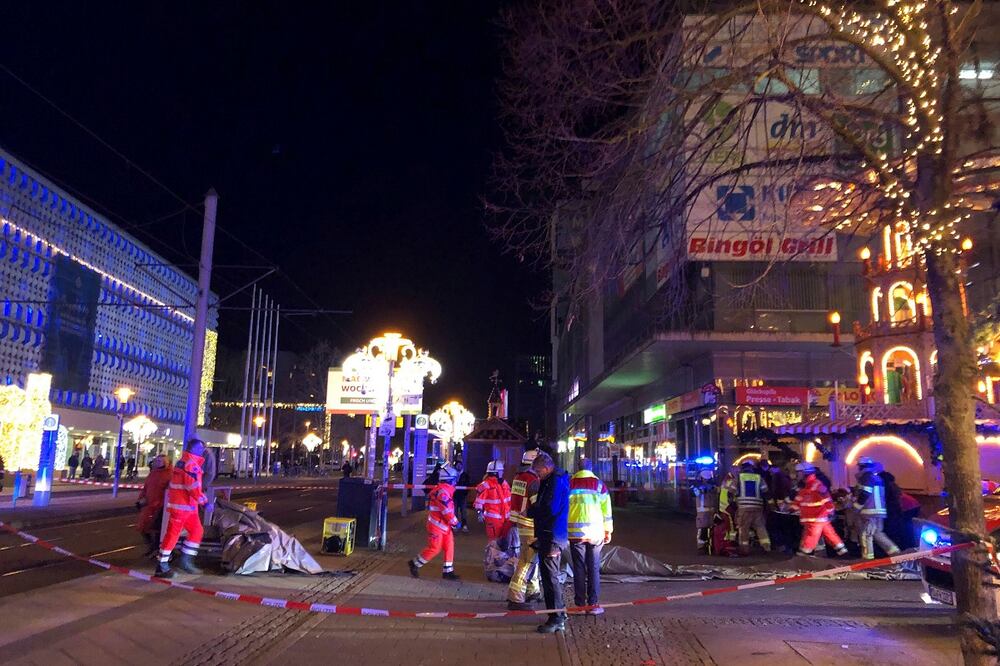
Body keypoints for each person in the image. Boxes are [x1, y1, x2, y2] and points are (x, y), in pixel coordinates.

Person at [527, 451, 570, 634]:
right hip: (551, 534)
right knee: (549, 577)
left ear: (546, 468)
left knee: (550, 578)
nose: (537, 475)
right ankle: (558, 613)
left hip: (552, 536)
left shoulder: (554, 482)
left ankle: (556, 617)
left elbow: (550, 508)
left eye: (538, 472)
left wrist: (532, 511)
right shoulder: (553, 480)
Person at [155, 439, 208, 578]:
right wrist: (205, 502)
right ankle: (162, 565)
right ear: (195, 449)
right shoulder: (191, 465)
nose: (203, 451)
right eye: (201, 448)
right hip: (183, 508)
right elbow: (193, 487)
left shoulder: (184, 462)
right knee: (173, 535)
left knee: (196, 531)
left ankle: (185, 561)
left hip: (187, 507)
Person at [568, 459, 612, 615]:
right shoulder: (599, 485)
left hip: (575, 533)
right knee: (593, 568)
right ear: (591, 468)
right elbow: (606, 510)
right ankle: (593, 605)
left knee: (578, 568)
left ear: (577, 468)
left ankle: (579, 605)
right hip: (595, 533)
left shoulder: (570, 484)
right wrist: (608, 530)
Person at [408, 463, 461, 580]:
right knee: (434, 548)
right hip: (437, 525)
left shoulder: (443, 491)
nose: (455, 482)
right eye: (454, 480)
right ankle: (415, 563)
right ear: (449, 480)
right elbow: (447, 511)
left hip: (442, 525)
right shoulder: (443, 493)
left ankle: (448, 571)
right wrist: (456, 523)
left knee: (449, 546)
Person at [507, 448, 542, 610]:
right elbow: (537, 505)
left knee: (532, 558)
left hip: (521, 522)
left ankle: (533, 590)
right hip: (530, 524)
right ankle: (515, 597)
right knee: (527, 560)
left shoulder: (519, 477)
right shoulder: (534, 480)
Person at [790, 462, 848, 557]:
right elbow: (800, 498)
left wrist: (830, 511)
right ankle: (843, 552)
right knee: (830, 534)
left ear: (804, 473)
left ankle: (803, 555)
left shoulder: (816, 485)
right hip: (816, 517)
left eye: (798, 472)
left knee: (811, 537)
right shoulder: (807, 485)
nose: (797, 475)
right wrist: (792, 507)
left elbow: (827, 499)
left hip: (816, 517)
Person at [853, 458, 900, 560]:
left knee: (866, 536)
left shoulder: (866, 477)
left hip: (869, 513)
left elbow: (865, 493)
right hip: (879, 512)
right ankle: (896, 554)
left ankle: (867, 562)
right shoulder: (877, 477)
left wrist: (856, 507)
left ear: (861, 466)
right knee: (878, 534)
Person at [728, 460, 771, 554]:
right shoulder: (759, 478)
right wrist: (770, 505)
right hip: (758, 507)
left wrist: (732, 503)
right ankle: (766, 546)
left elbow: (730, 492)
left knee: (744, 528)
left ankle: (744, 548)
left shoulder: (739, 478)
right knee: (760, 527)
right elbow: (766, 492)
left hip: (744, 507)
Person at [136, 455, 172, 556]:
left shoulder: (170, 474)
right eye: (157, 460)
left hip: (161, 507)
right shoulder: (153, 474)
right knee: (143, 527)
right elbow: (146, 488)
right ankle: (151, 546)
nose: (158, 462)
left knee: (157, 529)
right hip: (149, 505)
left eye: (160, 461)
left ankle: (156, 548)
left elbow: (170, 491)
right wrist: (140, 499)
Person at [474, 460, 512, 542]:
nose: (502, 472)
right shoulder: (485, 485)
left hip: (505, 518)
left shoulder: (503, 483)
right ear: (496, 472)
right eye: (501, 471)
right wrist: (479, 513)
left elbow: (509, 499)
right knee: (494, 543)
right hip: (493, 519)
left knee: (504, 543)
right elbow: (479, 502)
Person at [691, 465, 718, 552]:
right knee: (702, 529)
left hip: (711, 512)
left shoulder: (713, 486)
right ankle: (701, 546)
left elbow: (718, 491)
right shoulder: (697, 486)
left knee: (711, 529)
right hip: (703, 512)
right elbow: (696, 493)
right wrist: (704, 489)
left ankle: (710, 545)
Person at [454, 461, 471, 533]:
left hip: (462, 496)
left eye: (460, 465)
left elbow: (468, 484)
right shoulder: (453, 475)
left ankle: (464, 525)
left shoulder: (465, 475)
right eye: (457, 465)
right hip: (454, 495)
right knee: (454, 511)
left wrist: (465, 492)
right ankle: (455, 525)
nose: (459, 466)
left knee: (463, 511)